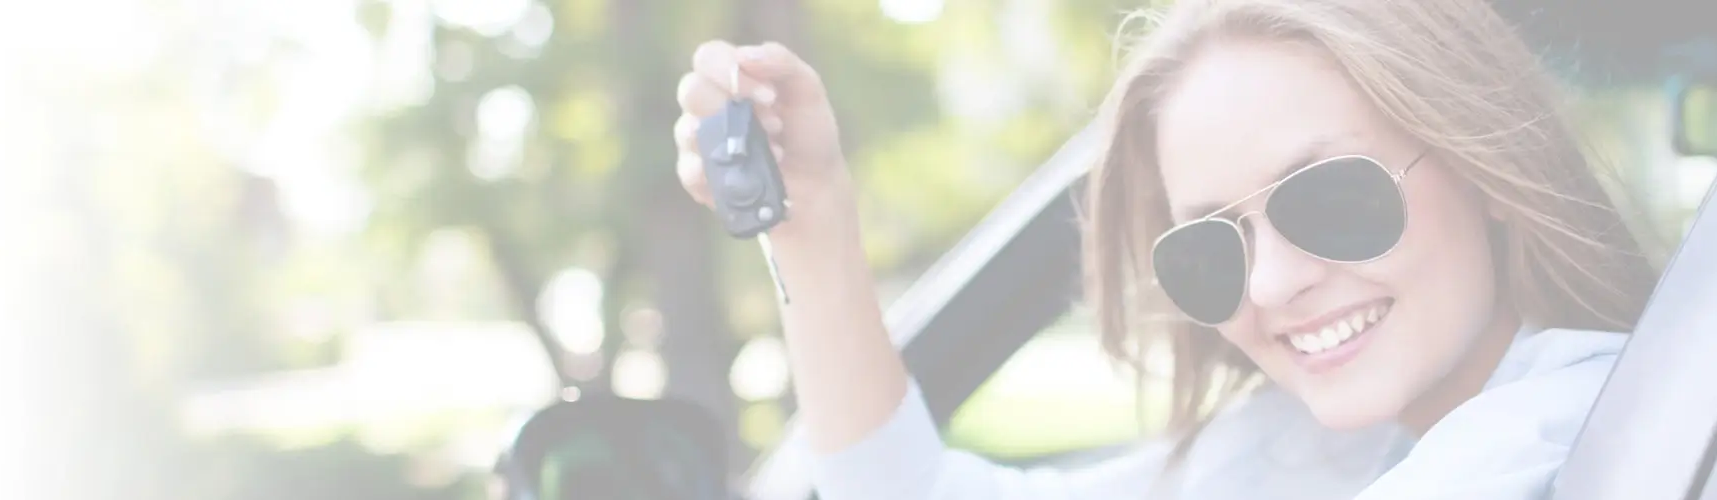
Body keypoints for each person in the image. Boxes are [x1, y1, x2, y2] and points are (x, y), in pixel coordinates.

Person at [669, 0, 1661, 497]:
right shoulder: (1328, 442)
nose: (1271, 281)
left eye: (1330, 197)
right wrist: (809, 224)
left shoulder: (1583, 424)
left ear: (1485, 163)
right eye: (1212, 246)